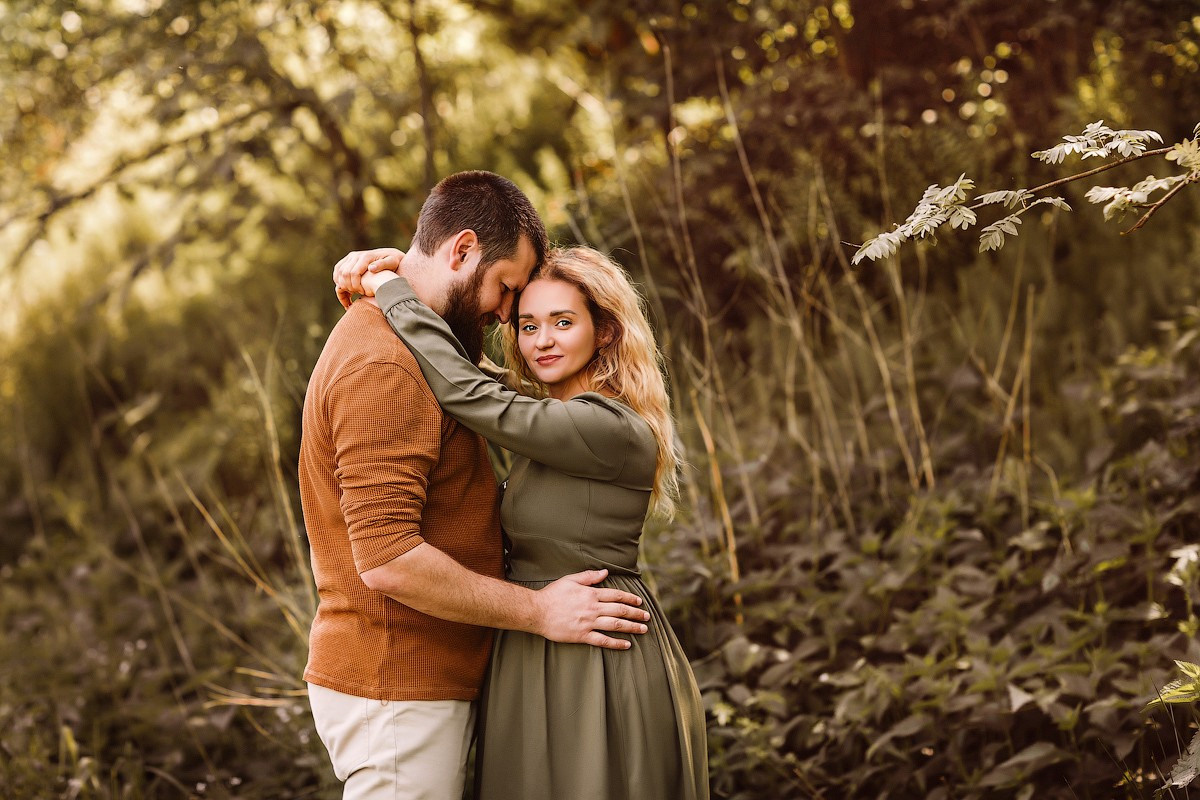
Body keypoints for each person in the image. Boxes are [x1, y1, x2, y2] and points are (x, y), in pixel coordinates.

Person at [299, 171, 651, 800]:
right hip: (398, 682)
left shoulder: (420, 351)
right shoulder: (385, 361)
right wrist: (537, 610)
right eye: (507, 289)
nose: (507, 315)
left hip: (434, 677)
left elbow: (480, 387)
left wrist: (393, 283)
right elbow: (387, 559)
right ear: (461, 251)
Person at [335, 244, 709, 799]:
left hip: (595, 651)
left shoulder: (609, 427)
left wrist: (392, 290)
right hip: (537, 639)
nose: (543, 341)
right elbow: (471, 373)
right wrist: (409, 273)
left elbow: (468, 391)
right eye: (528, 324)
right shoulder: (555, 415)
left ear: (605, 331)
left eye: (563, 322)